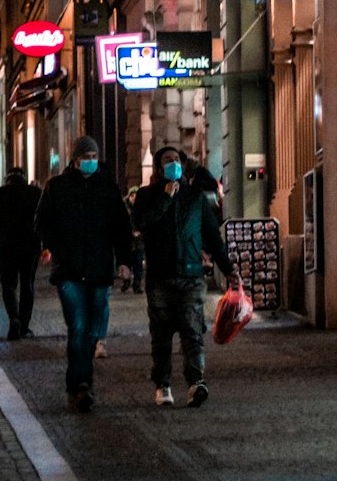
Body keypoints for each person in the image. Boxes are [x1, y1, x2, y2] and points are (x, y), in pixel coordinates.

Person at [133, 144, 240, 409]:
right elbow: (141, 225)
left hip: (191, 275)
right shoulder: (147, 196)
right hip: (160, 277)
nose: (173, 164)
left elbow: (213, 238)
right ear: (159, 168)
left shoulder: (195, 198)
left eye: (177, 160)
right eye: (167, 160)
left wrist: (229, 270)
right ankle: (163, 384)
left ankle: (196, 383)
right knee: (161, 335)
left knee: (192, 331)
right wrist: (166, 198)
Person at [35, 134, 134, 411]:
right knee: (78, 328)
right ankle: (80, 385)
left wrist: (124, 262)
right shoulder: (57, 187)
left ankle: (80, 382)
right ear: (75, 160)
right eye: (85, 157)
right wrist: (55, 247)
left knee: (92, 333)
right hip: (69, 271)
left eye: (94, 156)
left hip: (100, 271)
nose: (90, 161)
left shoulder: (108, 189)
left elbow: (121, 229)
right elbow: (42, 222)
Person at [0, 166, 42, 338]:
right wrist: (42, 242)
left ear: (7, 178)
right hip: (30, 247)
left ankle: (13, 317)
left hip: (7, 246)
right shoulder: (35, 193)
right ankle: (24, 325)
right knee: (27, 284)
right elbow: (43, 218)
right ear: (24, 178)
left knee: (8, 285)